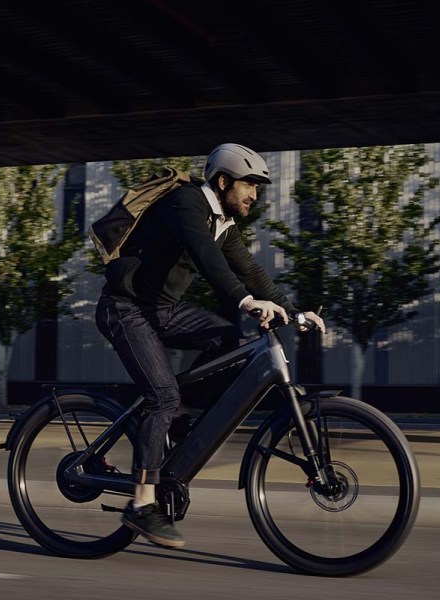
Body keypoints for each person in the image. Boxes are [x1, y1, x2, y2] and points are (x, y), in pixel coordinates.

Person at [95, 143, 325, 548]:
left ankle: (178, 421)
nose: (255, 194)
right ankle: (142, 504)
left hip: (162, 310)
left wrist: (295, 311)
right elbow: (207, 258)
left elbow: (250, 270)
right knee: (162, 396)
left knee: (229, 343)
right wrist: (246, 301)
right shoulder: (186, 203)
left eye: (258, 186)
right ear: (223, 182)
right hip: (126, 310)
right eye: (249, 185)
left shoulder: (224, 223)